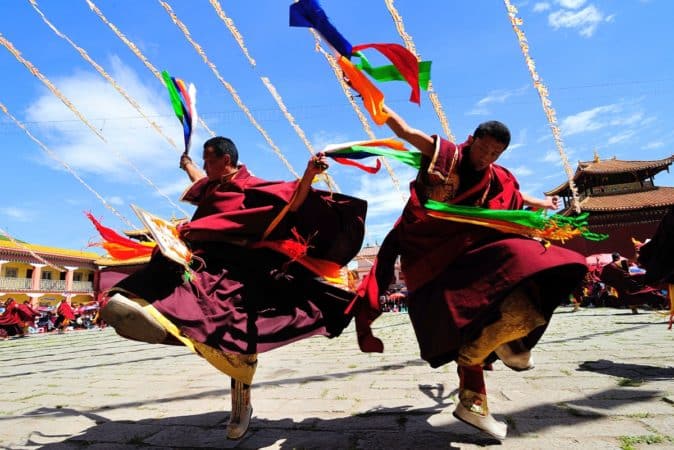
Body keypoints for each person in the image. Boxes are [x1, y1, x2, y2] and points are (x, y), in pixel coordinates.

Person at [99, 136, 366, 440]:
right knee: (174, 282)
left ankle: (242, 407)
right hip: (207, 263)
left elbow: (293, 201)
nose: (204, 166)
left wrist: (308, 174)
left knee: (236, 339)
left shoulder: (251, 185)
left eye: (208, 160)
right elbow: (200, 179)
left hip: (244, 270)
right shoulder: (214, 186)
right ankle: (140, 308)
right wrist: (186, 164)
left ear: (226, 160)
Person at [353, 106, 587, 440]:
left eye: (495, 153)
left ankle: (485, 383)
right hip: (429, 258)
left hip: (468, 251)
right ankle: (508, 348)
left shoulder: (497, 176)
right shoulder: (446, 156)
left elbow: (515, 198)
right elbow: (404, 131)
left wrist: (542, 205)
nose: (486, 157)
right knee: (513, 260)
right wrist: (373, 99)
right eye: (483, 149)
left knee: (527, 269)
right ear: (472, 140)